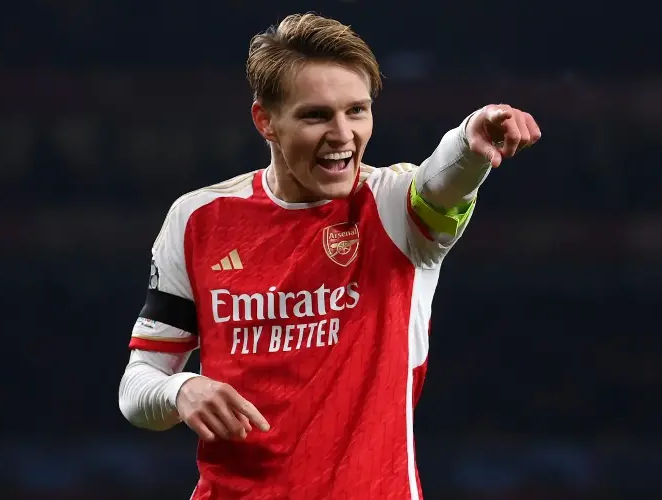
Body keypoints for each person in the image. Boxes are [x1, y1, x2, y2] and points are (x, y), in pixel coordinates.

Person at [118, 12, 541, 500]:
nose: (342, 134)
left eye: (357, 111)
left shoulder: (394, 208)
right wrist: (180, 390)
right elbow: (138, 387)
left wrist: (470, 142)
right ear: (265, 121)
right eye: (316, 115)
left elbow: (441, 181)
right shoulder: (197, 219)